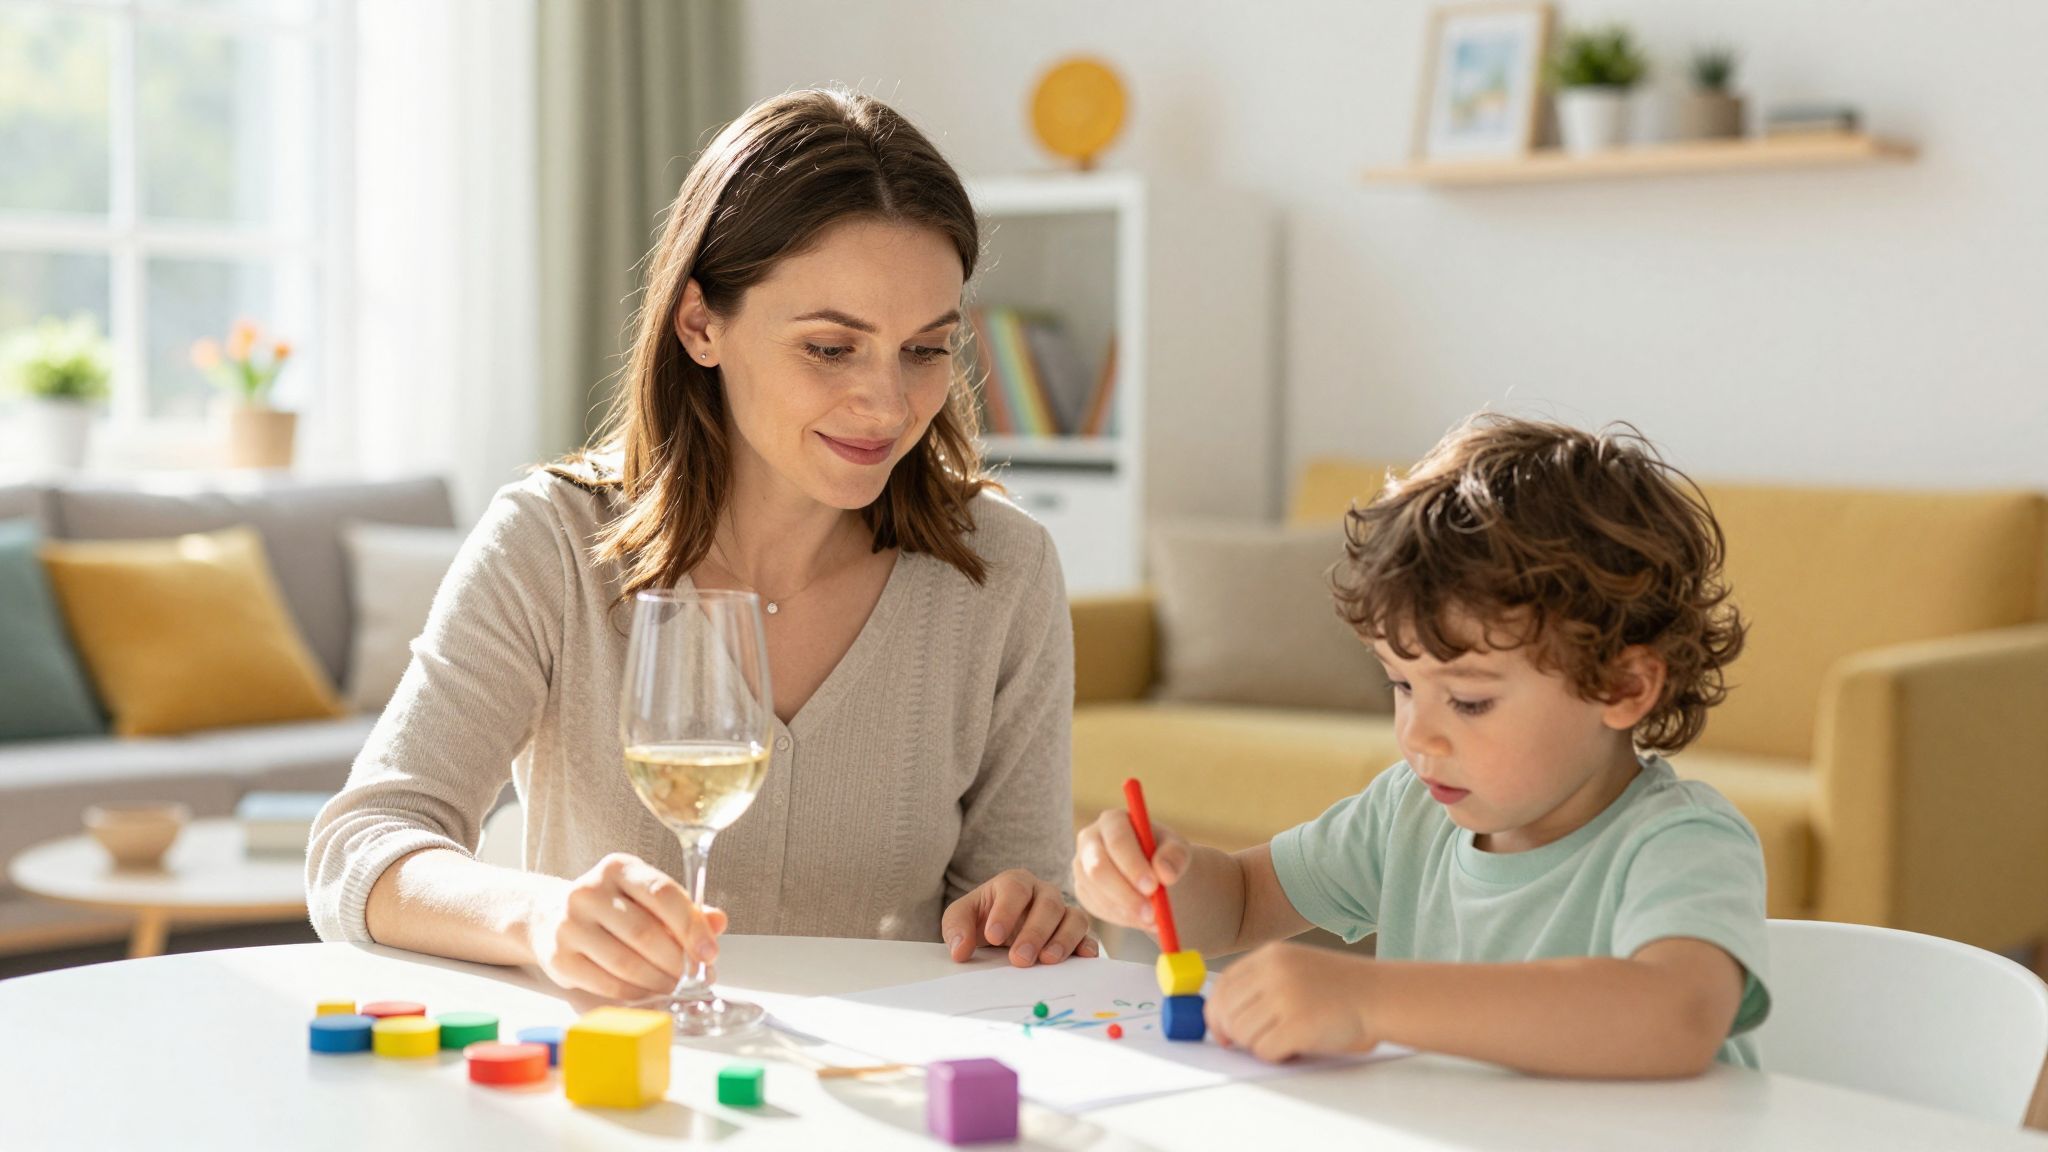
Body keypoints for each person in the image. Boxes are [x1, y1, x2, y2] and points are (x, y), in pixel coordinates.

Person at [308, 87, 1096, 1003]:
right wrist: (539, 916)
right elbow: (361, 848)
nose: (888, 404)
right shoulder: (553, 542)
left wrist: (1026, 917)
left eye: (924, 350)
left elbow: (1017, 906)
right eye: (831, 348)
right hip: (627, 1074)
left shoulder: (1002, 570)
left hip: (882, 1079)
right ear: (700, 324)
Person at [1075, 415, 1769, 1075]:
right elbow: (1241, 901)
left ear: (1622, 686)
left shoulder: (1680, 842)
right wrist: (1152, 886)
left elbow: (1677, 1016)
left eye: (1469, 701)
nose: (1416, 734)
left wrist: (1370, 999)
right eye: (1402, 686)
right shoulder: (1407, 814)